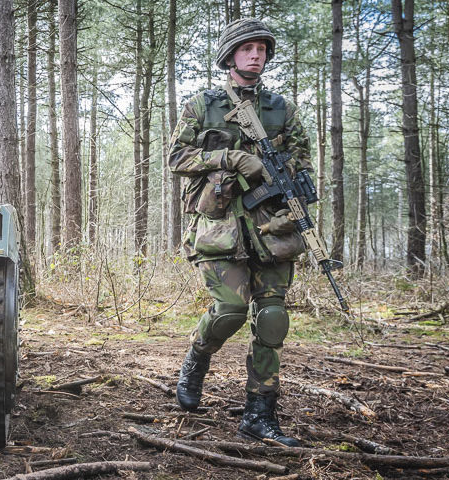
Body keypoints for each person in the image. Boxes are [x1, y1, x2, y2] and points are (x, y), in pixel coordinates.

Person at [167, 18, 312, 447]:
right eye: (247, 48)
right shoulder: (203, 105)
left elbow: (303, 164)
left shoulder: (281, 109)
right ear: (230, 56)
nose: (255, 54)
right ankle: (197, 357)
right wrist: (231, 158)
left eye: (262, 49)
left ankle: (259, 413)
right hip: (220, 226)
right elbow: (177, 158)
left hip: (272, 228)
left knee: (272, 319)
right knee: (230, 310)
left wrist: (289, 189)